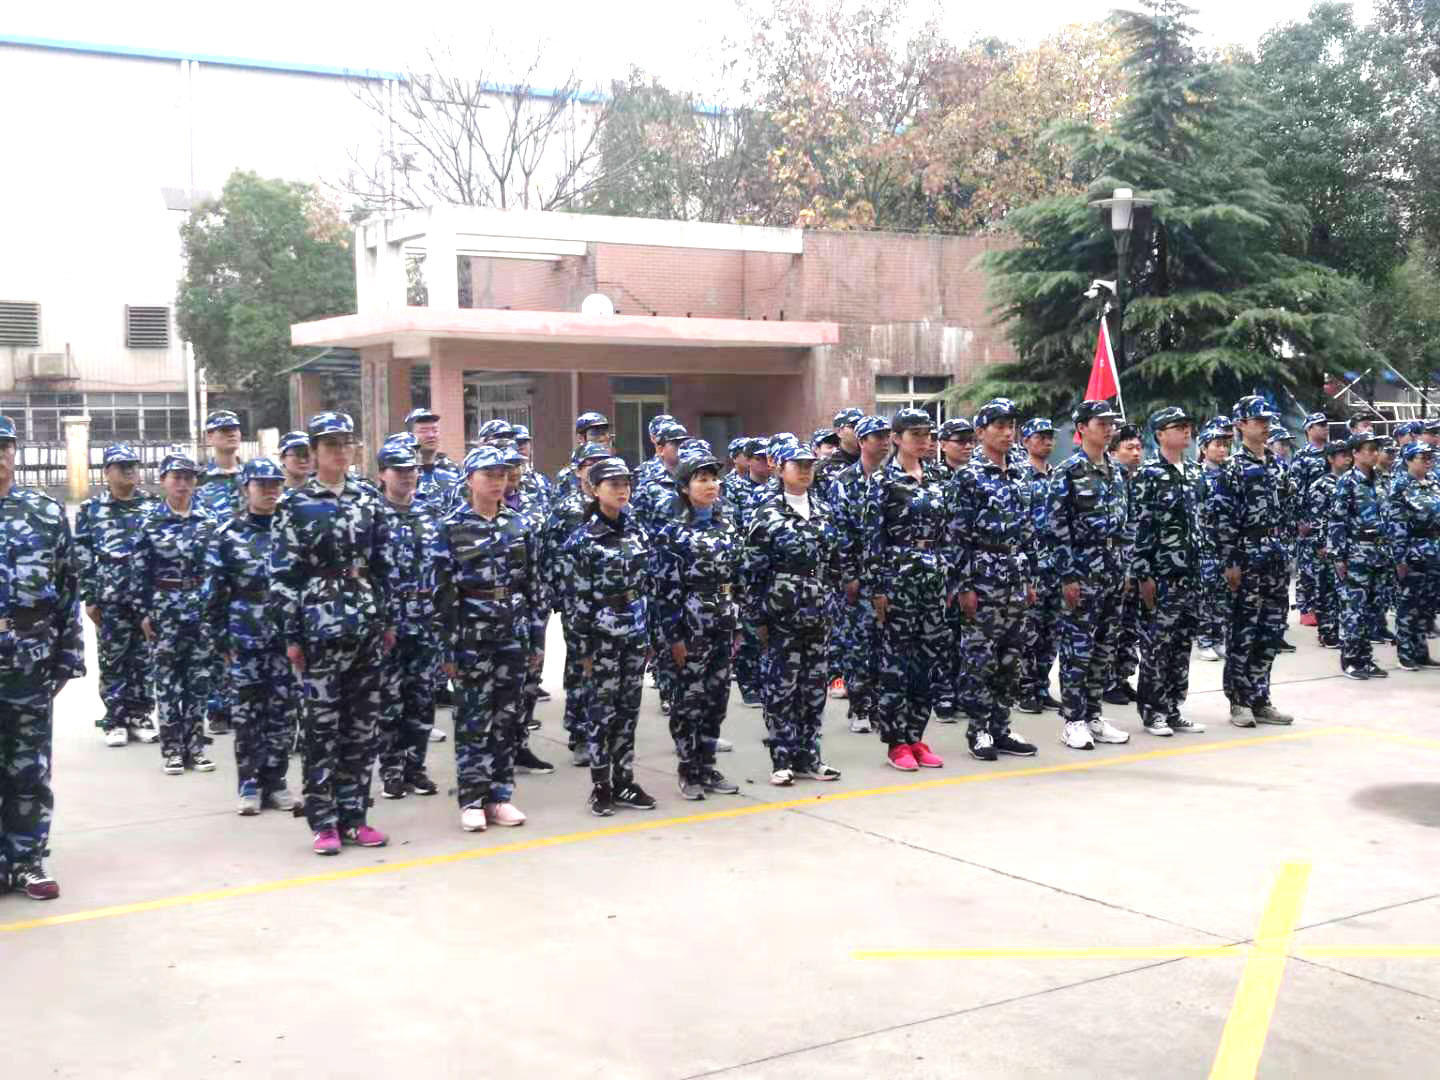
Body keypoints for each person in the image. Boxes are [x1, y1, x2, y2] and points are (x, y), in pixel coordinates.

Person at [270, 412, 394, 855]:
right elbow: (283, 575)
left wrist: (388, 620)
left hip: (365, 624)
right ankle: (324, 822)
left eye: (346, 443)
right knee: (321, 729)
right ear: (314, 452)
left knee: (362, 728)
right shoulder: (294, 504)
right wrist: (292, 635)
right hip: (319, 628)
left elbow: (384, 564)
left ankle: (355, 817)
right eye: (330, 445)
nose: (340, 451)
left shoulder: (369, 499)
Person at [431, 447, 545, 831]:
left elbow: (533, 585)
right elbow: (442, 594)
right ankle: (472, 798)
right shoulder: (451, 527)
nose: (498, 482)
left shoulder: (519, 524)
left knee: (506, 717)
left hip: (512, 632)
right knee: (472, 717)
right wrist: (447, 648)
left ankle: (500, 795)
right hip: (471, 636)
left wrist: (536, 638)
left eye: (502, 475)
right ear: (470, 480)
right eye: (489, 475)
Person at [0, 415, 84, 900]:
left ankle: (28, 859)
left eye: (4, 446)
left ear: (15, 452)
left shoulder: (44, 513)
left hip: (29, 659)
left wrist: (68, 655)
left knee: (29, 766)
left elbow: (69, 587)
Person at [742, 441, 843, 785]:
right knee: (781, 688)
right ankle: (782, 758)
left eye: (809, 465)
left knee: (814, 688)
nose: (804, 471)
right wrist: (756, 618)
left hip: (819, 611)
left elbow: (834, 562)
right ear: (780, 468)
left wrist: (832, 601)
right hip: (781, 613)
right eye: (797, 465)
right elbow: (752, 571)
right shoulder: (766, 513)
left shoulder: (823, 510)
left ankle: (809, 756)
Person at [203, 458, 299, 814]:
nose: (270, 491)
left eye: (276, 484)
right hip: (245, 636)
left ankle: (276, 781)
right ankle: (249, 783)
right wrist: (219, 639)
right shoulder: (227, 534)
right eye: (262, 484)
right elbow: (214, 592)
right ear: (246, 489)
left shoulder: (292, 529)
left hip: (285, 636)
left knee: (283, 712)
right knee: (247, 715)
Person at [945, 398, 1038, 761]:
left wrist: (1030, 579)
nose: (1007, 433)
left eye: (1010, 426)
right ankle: (979, 729)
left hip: (1014, 575)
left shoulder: (1020, 474)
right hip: (982, 575)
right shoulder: (968, 476)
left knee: (1011, 658)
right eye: (999, 426)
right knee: (979, 658)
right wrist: (964, 586)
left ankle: (1001, 726)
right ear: (981, 432)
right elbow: (956, 537)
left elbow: (1028, 532)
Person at [566, 457, 657, 814]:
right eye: (613, 484)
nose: (622, 490)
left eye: (626, 484)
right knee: (601, 711)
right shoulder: (583, 540)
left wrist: (648, 635)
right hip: (601, 637)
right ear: (594, 490)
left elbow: (647, 585)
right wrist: (583, 649)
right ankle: (601, 785)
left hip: (633, 633)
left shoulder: (637, 532)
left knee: (628, 709)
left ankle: (625, 780)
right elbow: (577, 600)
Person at [654, 451, 744, 799]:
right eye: (702, 479)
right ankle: (688, 769)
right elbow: (664, 591)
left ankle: (707, 765)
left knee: (716, 699)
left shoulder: (727, 527)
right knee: (688, 700)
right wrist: (673, 637)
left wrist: (737, 625)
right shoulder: (673, 533)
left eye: (714, 478)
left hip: (722, 622)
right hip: (690, 628)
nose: (711, 485)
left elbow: (737, 580)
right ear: (684, 488)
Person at [867, 408, 949, 771]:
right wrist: (877, 587)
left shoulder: (937, 476)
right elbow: (872, 538)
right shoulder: (883, 481)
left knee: (927, 662)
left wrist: (948, 575)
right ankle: (896, 741)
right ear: (896, 438)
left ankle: (916, 735)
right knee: (896, 664)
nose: (923, 440)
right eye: (915, 434)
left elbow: (948, 531)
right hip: (897, 577)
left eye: (927, 434)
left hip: (933, 576)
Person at [1047, 400, 1132, 750]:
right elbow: (1056, 528)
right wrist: (1068, 576)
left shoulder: (1116, 471)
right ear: (1082, 428)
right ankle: (1074, 720)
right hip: (1082, 572)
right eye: (1101, 423)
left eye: (1111, 423)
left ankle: (1094, 715)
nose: (1109, 428)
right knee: (1077, 649)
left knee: (1104, 648)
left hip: (1112, 570)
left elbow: (1126, 522)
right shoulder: (1068, 471)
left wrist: (1126, 566)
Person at [1213, 396, 1295, 726]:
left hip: (1275, 557)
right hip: (1246, 556)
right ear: (1240, 425)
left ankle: (1261, 697)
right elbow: (1222, 518)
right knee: (1242, 632)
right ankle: (1239, 700)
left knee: (1270, 632)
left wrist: (1286, 547)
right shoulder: (1232, 468)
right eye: (1258, 420)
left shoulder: (1277, 464)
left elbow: (1288, 509)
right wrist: (1230, 561)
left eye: (1267, 420)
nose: (1265, 425)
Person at [133, 452, 217, 774]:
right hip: (164, 610)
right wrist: (143, 612)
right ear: (163, 481)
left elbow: (217, 569)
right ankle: (172, 750)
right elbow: (139, 571)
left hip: (200, 609)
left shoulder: (209, 520)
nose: (183, 483)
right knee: (168, 683)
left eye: (188, 477)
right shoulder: (150, 522)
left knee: (199, 681)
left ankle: (195, 747)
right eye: (176, 477)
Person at [373, 441, 443, 800]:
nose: (406, 476)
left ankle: (416, 767)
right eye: (398, 470)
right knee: (390, 700)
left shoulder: (430, 513)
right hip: (388, 623)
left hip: (426, 621)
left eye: (411, 470)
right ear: (382, 475)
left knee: (422, 698)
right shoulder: (372, 515)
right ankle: (391, 770)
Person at [75, 442, 157, 746]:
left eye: (133, 465)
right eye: (122, 466)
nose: (129, 471)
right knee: (113, 658)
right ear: (106, 472)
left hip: (145, 597)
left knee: (144, 658)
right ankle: (116, 719)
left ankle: (141, 715)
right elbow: (82, 555)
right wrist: (89, 597)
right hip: (110, 596)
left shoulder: (152, 505)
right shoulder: (91, 509)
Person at [1131, 408, 1206, 736]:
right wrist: (1143, 574)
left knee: (1182, 644)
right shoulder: (1148, 474)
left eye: (1188, 426)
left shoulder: (1195, 472)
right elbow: (1139, 526)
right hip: (1162, 575)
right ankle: (1153, 711)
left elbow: (1200, 521)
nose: (1186, 432)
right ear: (1160, 434)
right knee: (1157, 645)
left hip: (1190, 573)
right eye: (1178, 427)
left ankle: (1174, 708)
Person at [827, 415, 890, 733]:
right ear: (862, 442)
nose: (884, 442)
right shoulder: (844, 480)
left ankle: (882, 707)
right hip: (858, 577)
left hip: (890, 575)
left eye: (887, 436)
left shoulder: (895, 478)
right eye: (877, 437)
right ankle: (861, 707)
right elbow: (841, 532)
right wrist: (849, 575)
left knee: (887, 645)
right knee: (859, 645)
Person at [195, 409, 245, 738]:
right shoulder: (200, 482)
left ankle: (245, 703)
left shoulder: (253, 476)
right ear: (209, 437)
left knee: (246, 638)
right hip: (213, 571)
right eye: (223, 429)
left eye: (235, 428)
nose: (231, 433)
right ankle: (218, 708)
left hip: (246, 572)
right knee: (214, 640)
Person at [1330, 431, 1391, 680]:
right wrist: (1338, 556)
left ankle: (1365, 658)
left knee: (1373, 609)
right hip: (1356, 553)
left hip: (1379, 552)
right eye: (1369, 449)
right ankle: (1351, 660)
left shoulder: (1380, 480)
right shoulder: (1348, 482)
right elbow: (1337, 520)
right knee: (1354, 609)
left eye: (1376, 449)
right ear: (1355, 453)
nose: (1374, 454)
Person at [1016, 418, 1062, 714]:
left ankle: (1042, 686)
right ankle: (1025, 689)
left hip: (1055, 565)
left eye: (1049, 436)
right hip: (1031, 566)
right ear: (1026, 441)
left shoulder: (1058, 476)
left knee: (1051, 632)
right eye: (1040, 436)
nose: (1046, 441)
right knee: (1028, 632)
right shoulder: (1019, 476)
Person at [1102, 423, 1144, 705]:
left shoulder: (1138, 480)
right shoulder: (1110, 481)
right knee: (1111, 626)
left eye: (1139, 448)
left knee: (1130, 626)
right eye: (1129, 448)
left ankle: (1122, 676)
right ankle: (1107, 682)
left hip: (1136, 563)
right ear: (1113, 452)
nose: (1136, 453)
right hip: (1115, 565)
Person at [1387, 443, 1439, 670]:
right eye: (1422, 457)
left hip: (1434, 549)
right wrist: (1400, 558)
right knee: (1409, 605)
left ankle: (1420, 652)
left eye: (1430, 457)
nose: (1428, 461)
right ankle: (1405, 653)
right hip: (1413, 551)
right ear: (1408, 460)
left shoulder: (1434, 482)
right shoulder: (1400, 485)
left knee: (1427, 605)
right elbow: (1396, 524)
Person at [1307, 441, 1352, 650]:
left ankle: (1341, 629)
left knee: (1343, 589)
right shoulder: (1321, 485)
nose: (1347, 459)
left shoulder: (1350, 482)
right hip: (1327, 543)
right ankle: (1327, 631)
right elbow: (1316, 517)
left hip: (1346, 542)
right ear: (1330, 459)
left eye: (1349, 454)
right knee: (1326, 588)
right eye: (1342, 455)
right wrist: (1320, 544)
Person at [1194, 421, 1232, 661]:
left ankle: (1219, 639)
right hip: (1206, 545)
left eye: (1225, 445)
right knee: (1206, 595)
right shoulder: (1198, 476)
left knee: (1222, 595)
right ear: (1204, 448)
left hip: (1226, 546)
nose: (1222, 449)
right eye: (1217, 445)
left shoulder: (1229, 475)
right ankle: (1205, 640)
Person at [1289, 413, 1332, 628]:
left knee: (1328, 565)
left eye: (1326, 424)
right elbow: (1295, 489)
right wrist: (1299, 519)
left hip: (1331, 517)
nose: (1325, 427)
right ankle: (1306, 607)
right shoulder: (1302, 456)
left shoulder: (1333, 452)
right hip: (1310, 518)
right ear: (1308, 429)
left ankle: (1326, 607)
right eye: (1320, 425)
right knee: (1307, 565)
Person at [407, 407, 463, 507]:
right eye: (423, 431)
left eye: (435, 430)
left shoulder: (452, 470)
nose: (431, 435)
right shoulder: (403, 471)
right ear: (410, 436)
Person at [554, 412, 614, 500]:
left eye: (605, 432)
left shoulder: (616, 467)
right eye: (595, 433)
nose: (603, 437)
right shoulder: (568, 476)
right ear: (580, 438)